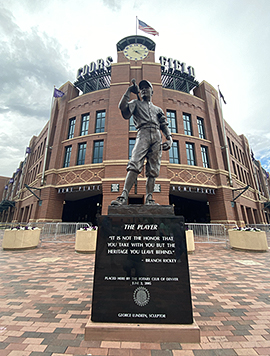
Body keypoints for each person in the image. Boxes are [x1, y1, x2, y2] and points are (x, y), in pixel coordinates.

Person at [111, 79, 173, 206]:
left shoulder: (158, 109)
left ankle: (149, 198)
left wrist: (170, 138)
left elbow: (164, 125)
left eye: (147, 88)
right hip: (143, 133)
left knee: (153, 169)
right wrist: (129, 91)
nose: (144, 90)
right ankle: (123, 196)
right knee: (134, 163)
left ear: (152, 91)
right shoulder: (135, 103)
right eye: (142, 88)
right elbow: (122, 107)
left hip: (156, 136)